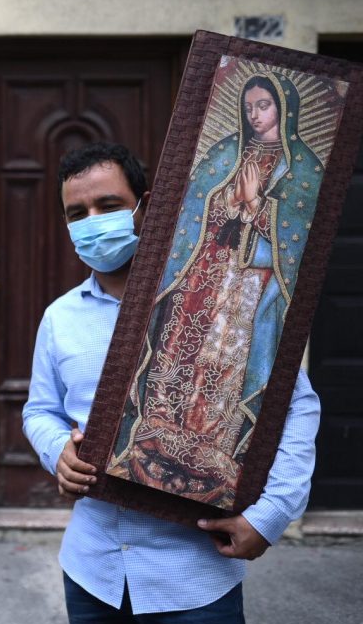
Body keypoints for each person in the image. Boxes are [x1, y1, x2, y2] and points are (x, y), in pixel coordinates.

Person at [22, 141, 320, 624]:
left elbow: (295, 405)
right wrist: (57, 452)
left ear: (146, 205)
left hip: (193, 574)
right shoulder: (61, 318)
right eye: (78, 213)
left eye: (109, 206)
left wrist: (270, 516)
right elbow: (39, 410)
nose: (93, 220)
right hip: (91, 570)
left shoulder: (211, 297)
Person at [106, 72, 324, 509]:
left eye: (264, 105)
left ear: (285, 109)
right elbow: (192, 212)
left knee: (228, 360)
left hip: (251, 284)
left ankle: (212, 452)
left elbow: (297, 238)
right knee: (182, 351)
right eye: (249, 107)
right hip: (203, 271)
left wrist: (259, 207)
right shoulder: (225, 152)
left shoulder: (302, 168)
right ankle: (160, 437)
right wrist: (227, 205)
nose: (255, 115)